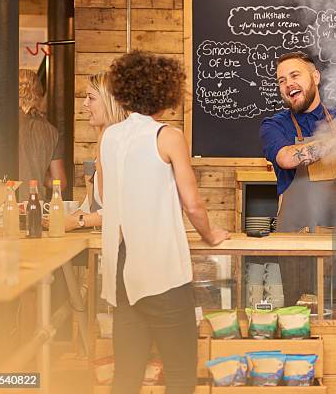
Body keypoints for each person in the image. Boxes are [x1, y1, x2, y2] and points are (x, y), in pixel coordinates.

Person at [98, 50, 229, 394]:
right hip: (161, 272)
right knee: (181, 376)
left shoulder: (109, 136)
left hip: (120, 271)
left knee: (126, 376)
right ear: (166, 91)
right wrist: (212, 234)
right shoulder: (167, 135)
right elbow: (193, 204)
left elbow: (104, 194)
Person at [259, 51, 336, 232]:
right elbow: (286, 159)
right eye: (281, 80)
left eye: (295, 75)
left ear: (315, 77)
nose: (288, 83)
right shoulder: (274, 125)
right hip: (297, 241)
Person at [61, 73, 128, 231]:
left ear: (109, 101)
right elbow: (91, 205)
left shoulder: (121, 145)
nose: (84, 104)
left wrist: (79, 221)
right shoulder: (106, 142)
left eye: (91, 98)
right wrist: (62, 220)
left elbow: (123, 209)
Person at [18, 69, 67, 200]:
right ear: (39, 94)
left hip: (4, 206)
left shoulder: (2, 123)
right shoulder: (51, 131)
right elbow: (60, 182)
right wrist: (38, 175)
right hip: (35, 205)